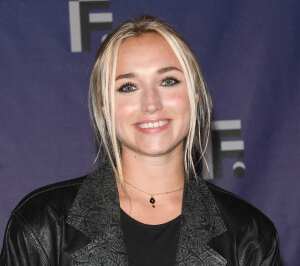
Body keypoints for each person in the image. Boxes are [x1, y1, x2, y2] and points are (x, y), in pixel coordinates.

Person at [0, 15, 280, 265]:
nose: (151, 104)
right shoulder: (42, 225)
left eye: (168, 81)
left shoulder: (249, 235)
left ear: (194, 95)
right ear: (103, 106)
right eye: (128, 86)